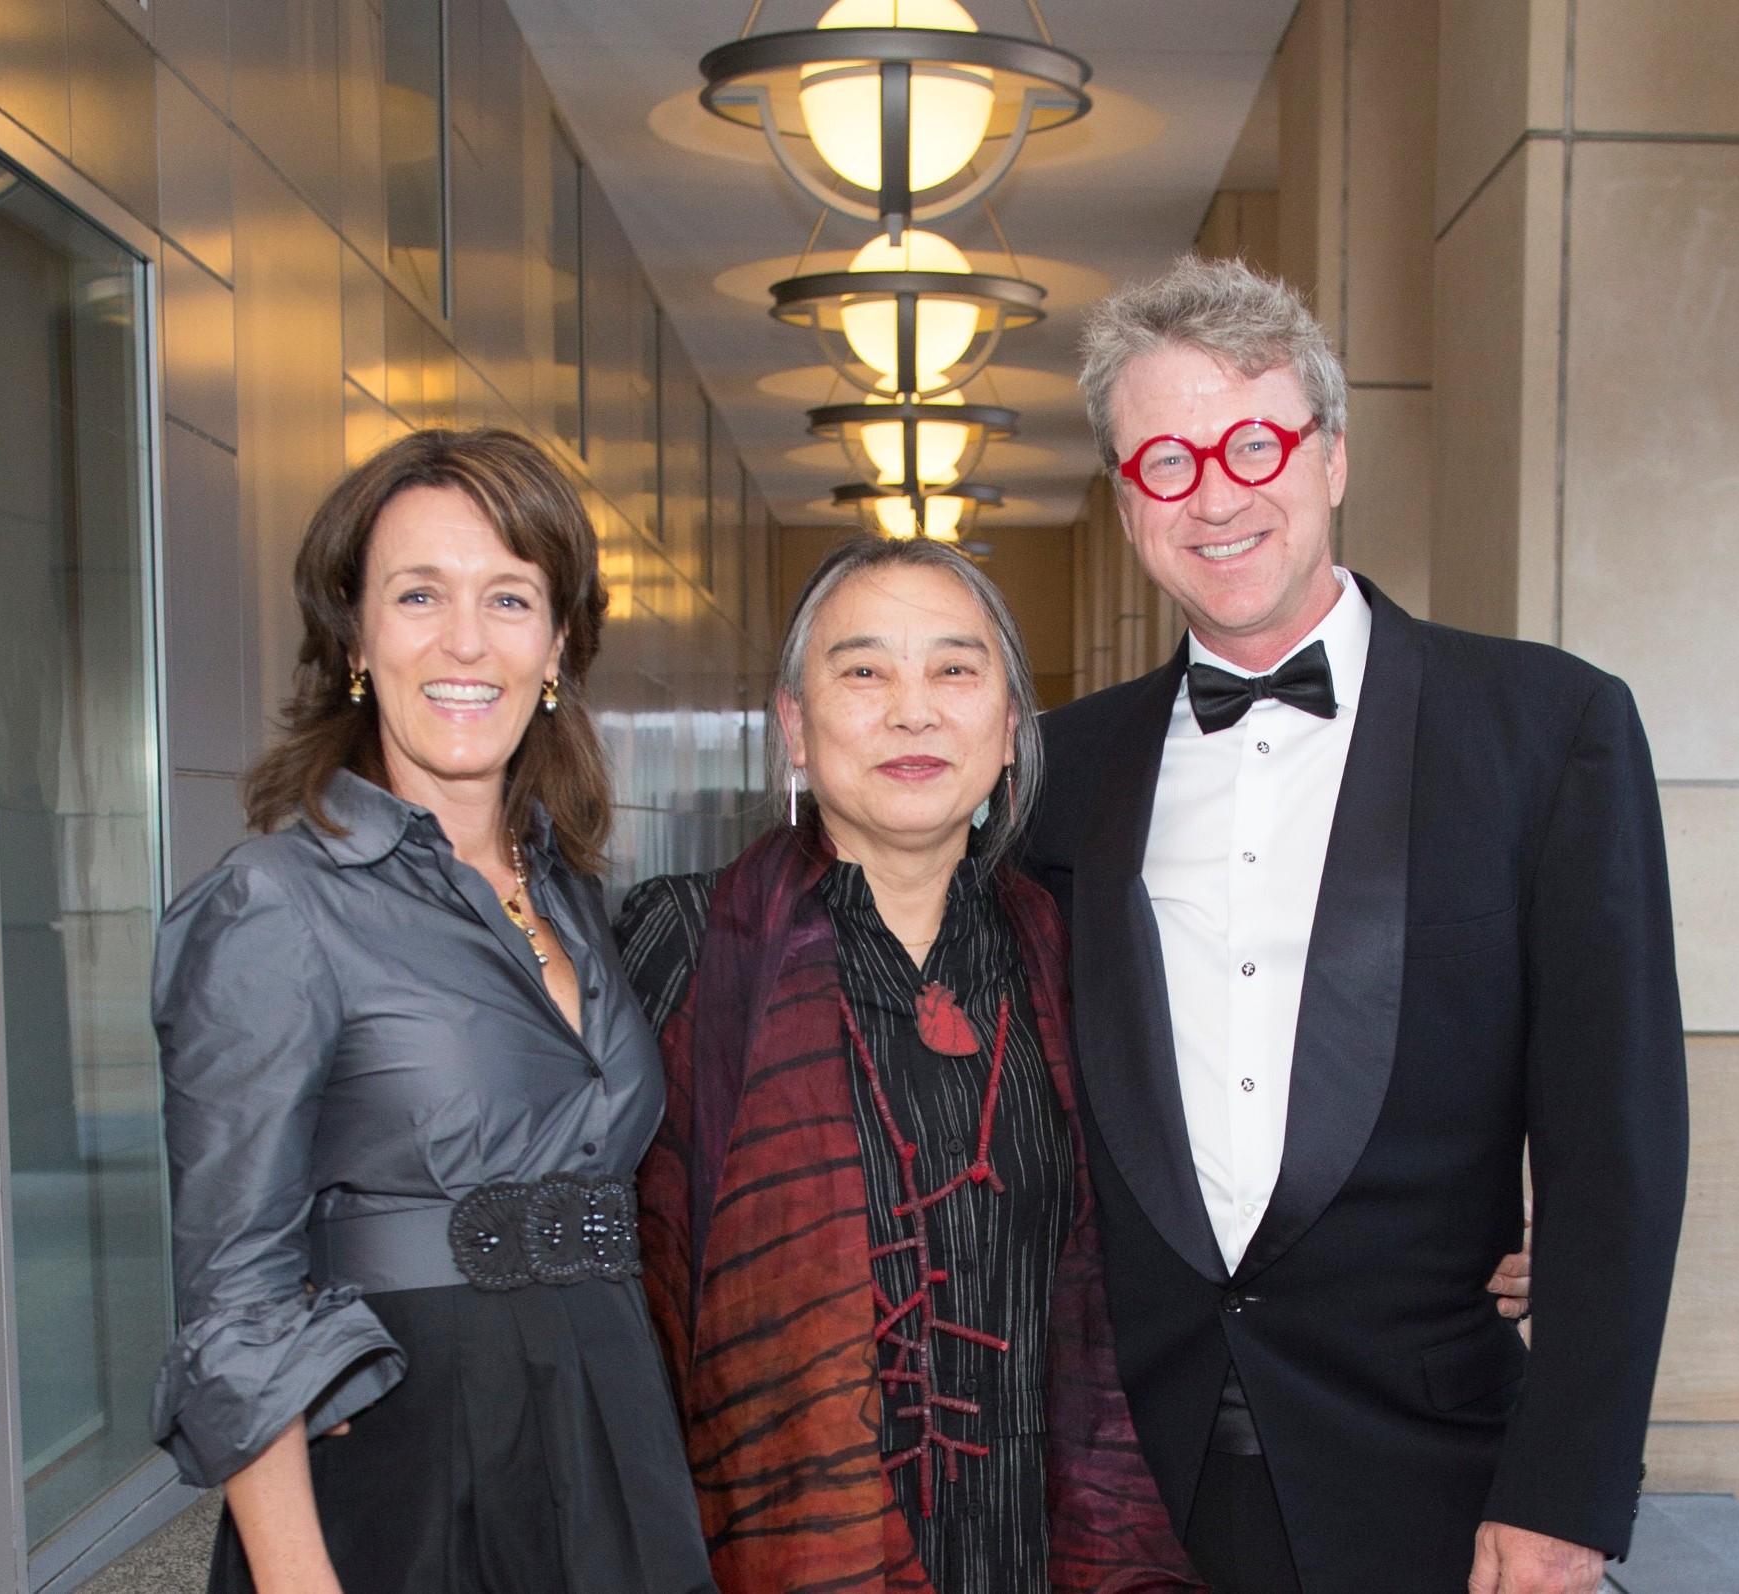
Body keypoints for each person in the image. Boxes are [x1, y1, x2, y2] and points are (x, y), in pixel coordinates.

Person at [1022, 255, 1690, 1594]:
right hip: (1120, 1476)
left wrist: (1568, 1489)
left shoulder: (1550, 729)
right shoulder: (1057, 769)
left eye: (1253, 441)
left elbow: (1616, 1142)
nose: (1213, 494)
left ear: (1330, 455)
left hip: (1434, 1467)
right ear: (1126, 500)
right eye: (1164, 460)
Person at [148, 429, 715, 1594]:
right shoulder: (276, 903)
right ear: (355, 634)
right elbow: (234, 1307)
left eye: (509, 598)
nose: (466, 640)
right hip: (407, 1477)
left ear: (557, 643)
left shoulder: (567, 889)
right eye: (420, 594)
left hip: (608, 1441)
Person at [613, 536, 1202, 1594]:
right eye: (864, 669)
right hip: (775, 1549)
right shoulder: (689, 946)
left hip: (1036, 1551)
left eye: (955, 668)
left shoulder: (1077, 959)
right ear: (795, 725)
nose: (913, 710)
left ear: (1012, 726)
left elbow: (1207, 1200)